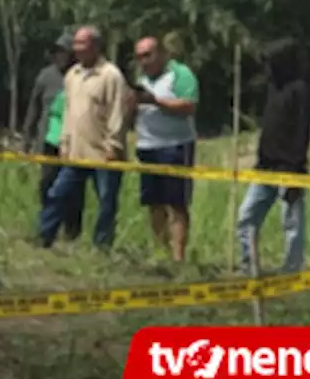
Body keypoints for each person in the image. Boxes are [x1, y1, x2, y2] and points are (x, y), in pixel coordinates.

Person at [35, 26, 128, 249]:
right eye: (75, 44)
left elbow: (118, 112)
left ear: (95, 46)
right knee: (57, 193)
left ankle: (102, 245)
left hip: (103, 152)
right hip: (76, 150)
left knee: (106, 202)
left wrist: (114, 145)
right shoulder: (72, 75)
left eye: (81, 44)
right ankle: (44, 236)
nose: (76, 49)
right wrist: (64, 143)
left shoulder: (111, 75)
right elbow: (68, 112)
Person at [235, 38, 310, 276]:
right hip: (264, 166)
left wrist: (295, 171)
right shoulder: (272, 87)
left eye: (271, 63)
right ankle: (249, 264)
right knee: (246, 216)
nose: (268, 69)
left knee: (291, 223)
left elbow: (302, 132)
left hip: (289, 169)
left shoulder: (299, 90)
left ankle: (292, 270)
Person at [132, 36, 200, 262]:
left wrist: (155, 101)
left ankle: (178, 257)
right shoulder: (141, 79)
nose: (143, 61)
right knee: (153, 203)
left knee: (177, 204)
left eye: (147, 55)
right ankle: (160, 251)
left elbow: (188, 105)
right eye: (139, 56)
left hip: (176, 146)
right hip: (147, 146)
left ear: (161, 54)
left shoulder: (181, 74)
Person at [24, 31, 80, 239]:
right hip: (48, 141)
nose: (60, 56)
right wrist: (27, 140)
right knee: (47, 185)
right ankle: (47, 229)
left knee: (72, 191)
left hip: (74, 142)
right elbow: (33, 109)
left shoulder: (79, 75)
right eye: (56, 52)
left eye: (64, 52)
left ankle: (71, 232)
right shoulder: (45, 76)